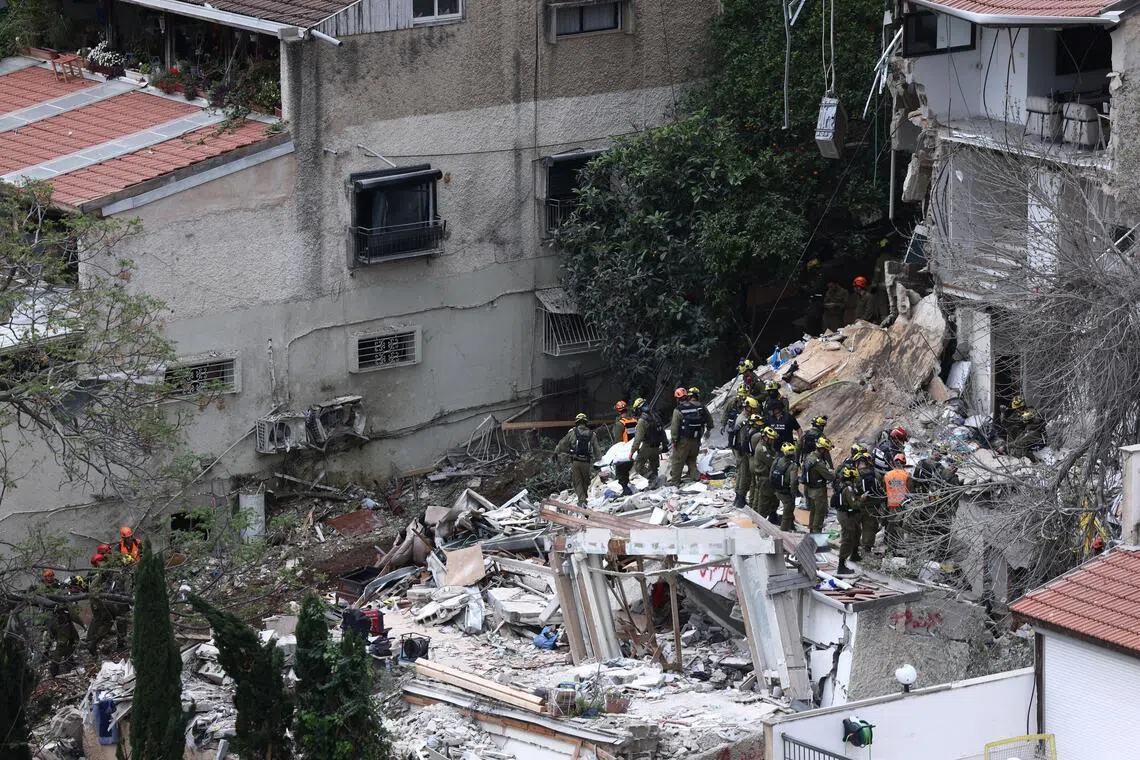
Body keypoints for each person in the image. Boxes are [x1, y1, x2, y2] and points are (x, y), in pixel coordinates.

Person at [555, 413, 601, 505]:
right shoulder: (592, 434)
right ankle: (584, 499)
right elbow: (597, 450)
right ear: (586, 422)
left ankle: (582, 500)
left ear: (577, 422)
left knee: (577, 482)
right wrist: (599, 461)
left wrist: (557, 452)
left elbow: (562, 444)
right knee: (586, 481)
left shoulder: (572, 432)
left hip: (575, 462)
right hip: (586, 463)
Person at [669, 387, 712, 485]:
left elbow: (674, 427)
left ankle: (675, 482)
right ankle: (695, 477)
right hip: (695, 439)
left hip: (683, 440)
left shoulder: (678, 410)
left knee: (677, 461)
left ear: (677, 398)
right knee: (691, 459)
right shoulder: (695, 407)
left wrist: (674, 440)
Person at [629, 398, 669, 484]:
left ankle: (652, 478)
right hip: (657, 446)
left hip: (647, 446)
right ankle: (656, 483)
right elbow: (663, 432)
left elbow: (638, 439)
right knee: (654, 466)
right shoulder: (656, 417)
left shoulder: (642, 421)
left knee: (638, 465)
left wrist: (632, 452)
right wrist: (665, 445)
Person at [802, 436, 836, 533]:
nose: (827, 453)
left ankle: (812, 530)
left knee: (813, 511)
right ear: (822, 450)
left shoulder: (809, 456)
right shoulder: (818, 463)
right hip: (818, 492)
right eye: (826, 450)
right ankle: (817, 533)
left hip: (810, 489)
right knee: (819, 513)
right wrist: (833, 474)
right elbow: (829, 477)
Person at [749, 426, 781, 523]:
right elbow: (772, 462)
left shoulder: (766, 445)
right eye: (771, 439)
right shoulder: (762, 449)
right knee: (764, 500)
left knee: (773, 499)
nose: (772, 441)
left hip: (767, 477)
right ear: (765, 437)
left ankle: (772, 516)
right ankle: (761, 521)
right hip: (764, 478)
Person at [834, 466, 863, 576]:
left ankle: (854, 554)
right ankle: (841, 565)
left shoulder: (843, 485)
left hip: (847, 514)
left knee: (856, 531)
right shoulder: (848, 489)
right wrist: (862, 500)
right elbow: (854, 505)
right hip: (846, 516)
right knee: (847, 538)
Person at [853, 452, 882, 557]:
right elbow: (881, 490)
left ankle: (854, 550)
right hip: (872, 507)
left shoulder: (854, 475)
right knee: (869, 528)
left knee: (855, 528)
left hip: (858, 506)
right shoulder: (876, 474)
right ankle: (866, 550)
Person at [731, 412, 761, 509]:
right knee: (745, 475)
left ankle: (738, 497)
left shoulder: (740, 418)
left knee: (740, 474)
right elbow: (744, 441)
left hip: (738, 450)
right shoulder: (745, 424)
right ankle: (741, 498)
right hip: (742, 452)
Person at [883, 453, 910, 554]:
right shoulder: (907, 475)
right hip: (902, 506)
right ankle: (897, 548)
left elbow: (884, 490)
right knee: (899, 527)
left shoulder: (887, 475)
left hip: (891, 505)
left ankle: (890, 548)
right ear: (904, 463)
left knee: (891, 526)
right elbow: (910, 491)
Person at [612, 401, 639, 496]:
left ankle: (626, 489)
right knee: (626, 470)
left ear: (618, 411)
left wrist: (615, 453)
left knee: (620, 471)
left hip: (624, 451)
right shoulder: (635, 420)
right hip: (634, 450)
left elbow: (618, 441)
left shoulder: (620, 424)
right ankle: (628, 487)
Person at [771, 442, 801, 531]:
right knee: (787, 514)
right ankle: (783, 533)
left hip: (776, 489)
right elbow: (793, 482)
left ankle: (791, 526)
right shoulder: (793, 466)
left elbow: (771, 475)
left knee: (789, 509)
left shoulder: (776, 460)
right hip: (786, 491)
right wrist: (794, 493)